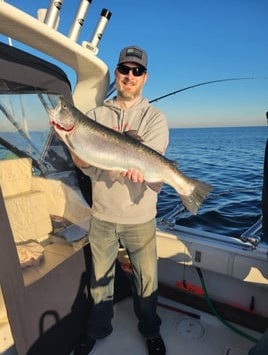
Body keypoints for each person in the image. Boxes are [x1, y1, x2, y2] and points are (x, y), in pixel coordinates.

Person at [73, 46, 169, 355]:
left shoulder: (155, 118)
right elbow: (84, 163)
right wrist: (73, 144)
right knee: (100, 281)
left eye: (136, 71)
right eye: (124, 70)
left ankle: (150, 329)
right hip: (102, 215)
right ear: (116, 74)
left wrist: (143, 171)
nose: (129, 76)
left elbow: (152, 164)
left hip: (140, 217)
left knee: (146, 281)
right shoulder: (96, 116)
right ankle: (97, 329)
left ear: (145, 78)